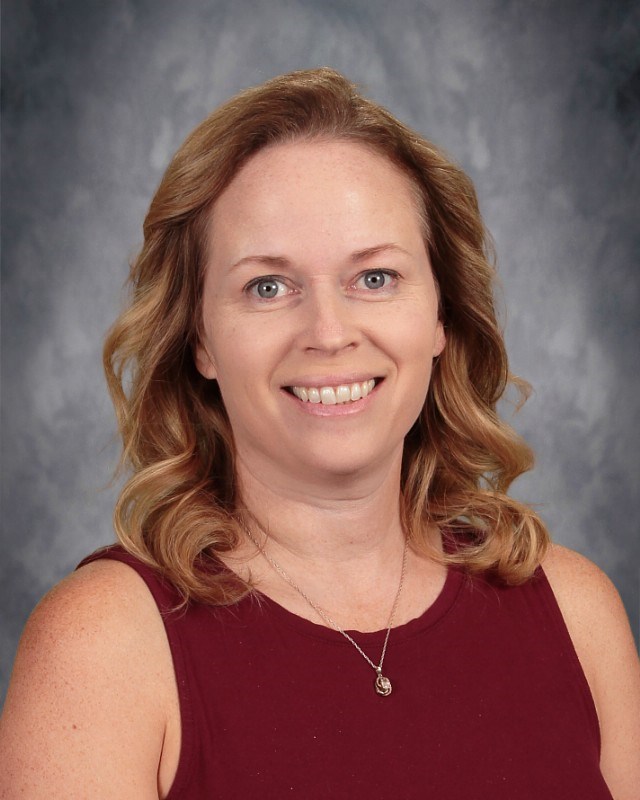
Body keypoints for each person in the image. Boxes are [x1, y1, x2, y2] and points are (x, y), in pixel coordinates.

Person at [1, 67, 638, 799]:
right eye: (267, 287)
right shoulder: (102, 646)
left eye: (375, 278)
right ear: (200, 339)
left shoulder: (576, 611)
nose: (329, 334)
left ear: (440, 316)